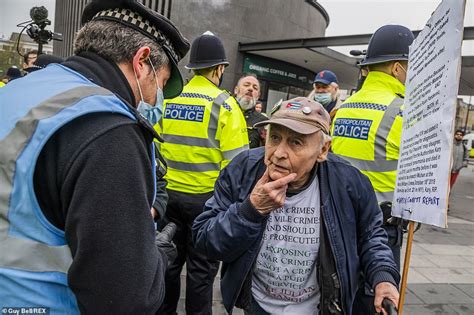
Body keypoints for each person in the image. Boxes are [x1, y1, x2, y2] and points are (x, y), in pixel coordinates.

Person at [0, 0, 190, 313]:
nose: (157, 99)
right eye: (162, 84)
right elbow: (127, 299)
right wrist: (152, 257)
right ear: (142, 61)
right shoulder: (108, 128)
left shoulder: (21, 91)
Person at [192, 97, 400, 315]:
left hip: (319, 308)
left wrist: (383, 276)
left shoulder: (349, 182)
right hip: (257, 305)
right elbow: (204, 239)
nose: (279, 153)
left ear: (323, 150)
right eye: (274, 137)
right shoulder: (242, 170)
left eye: (296, 142)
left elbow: (371, 237)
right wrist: (251, 211)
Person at [159, 31, 249, 314]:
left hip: (168, 197)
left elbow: (153, 146)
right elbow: (238, 165)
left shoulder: (169, 98)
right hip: (205, 203)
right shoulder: (225, 104)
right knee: (201, 273)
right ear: (219, 69)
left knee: (169, 264)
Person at [330, 24, 414, 314]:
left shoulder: (344, 107)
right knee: (375, 302)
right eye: (409, 66)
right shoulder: (404, 112)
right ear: (395, 68)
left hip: (339, 222)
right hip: (381, 231)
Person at [234, 74, 267, 148]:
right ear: (236, 90)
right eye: (246, 85)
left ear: (258, 96)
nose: (250, 89)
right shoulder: (223, 112)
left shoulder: (263, 122)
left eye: (255, 88)